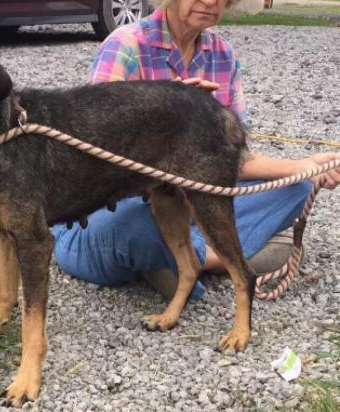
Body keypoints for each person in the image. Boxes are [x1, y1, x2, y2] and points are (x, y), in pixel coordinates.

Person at [52, 0, 340, 300]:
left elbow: (232, 160)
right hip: (117, 208)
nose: (210, 2)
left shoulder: (222, 55)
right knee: (136, 223)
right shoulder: (125, 45)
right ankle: (210, 256)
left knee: (296, 190)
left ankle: (185, 258)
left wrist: (306, 166)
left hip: (184, 205)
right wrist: (170, 115)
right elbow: (96, 156)